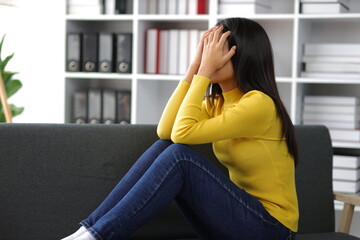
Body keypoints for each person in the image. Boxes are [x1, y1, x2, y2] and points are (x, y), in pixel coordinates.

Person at [61, 17, 298, 240]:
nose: (208, 57)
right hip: (236, 219)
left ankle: (98, 235)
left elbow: (182, 134)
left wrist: (204, 72)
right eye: (206, 50)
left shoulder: (259, 103)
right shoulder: (218, 103)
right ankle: (87, 231)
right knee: (163, 147)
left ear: (241, 56)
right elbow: (166, 132)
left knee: (180, 158)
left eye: (215, 50)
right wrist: (194, 67)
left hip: (271, 228)